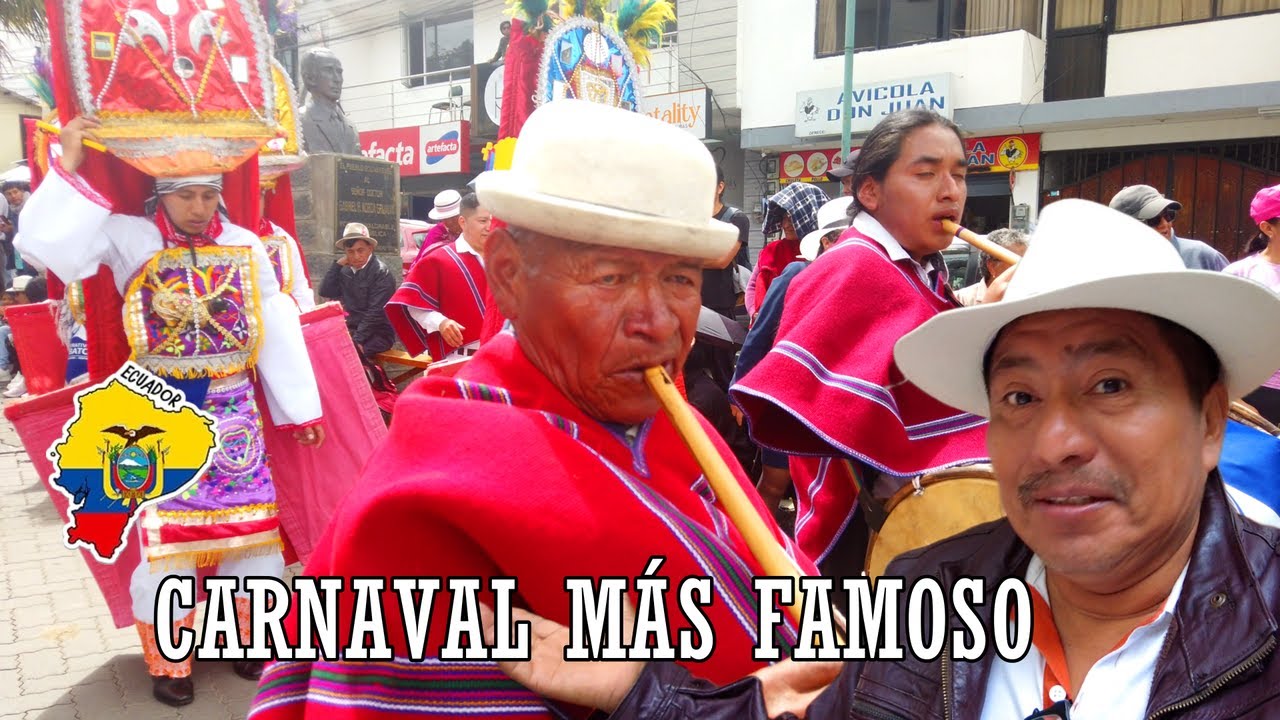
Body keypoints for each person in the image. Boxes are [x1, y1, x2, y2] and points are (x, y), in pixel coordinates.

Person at [485, 198, 1280, 719]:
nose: (1056, 441)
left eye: (1110, 385)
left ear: (1210, 421)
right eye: (1019, 398)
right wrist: (639, 691)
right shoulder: (922, 598)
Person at [249, 99, 814, 719]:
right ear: (510, 275)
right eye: (609, 277)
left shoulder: (668, 423)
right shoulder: (436, 496)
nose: (658, 323)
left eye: (680, 280)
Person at [17, 116, 326, 707]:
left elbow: (275, 321)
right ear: (162, 193)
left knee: (252, 537)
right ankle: (171, 661)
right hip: (160, 410)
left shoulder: (243, 245)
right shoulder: (131, 237)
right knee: (167, 543)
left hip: (235, 405)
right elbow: (52, 248)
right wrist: (72, 164)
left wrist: (298, 408)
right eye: (186, 194)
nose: (198, 206)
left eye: (209, 194)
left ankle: (249, 641)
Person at [732, 109, 989, 574]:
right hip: (866, 525)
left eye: (959, 174)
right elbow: (839, 404)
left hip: (913, 517)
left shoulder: (919, 266)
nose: (951, 190)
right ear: (869, 191)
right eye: (927, 173)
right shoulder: (854, 266)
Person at [733, 196, 852, 519]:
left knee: (821, 491)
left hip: (834, 401)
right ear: (826, 242)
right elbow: (759, 336)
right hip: (788, 395)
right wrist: (739, 390)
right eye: (846, 238)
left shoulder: (864, 278)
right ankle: (756, 552)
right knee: (775, 482)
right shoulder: (797, 274)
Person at [386, 192, 491, 360]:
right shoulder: (439, 259)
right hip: (460, 357)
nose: (489, 227)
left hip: (501, 358)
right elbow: (414, 304)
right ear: (463, 222)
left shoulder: (503, 259)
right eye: (482, 221)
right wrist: (440, 323)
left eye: (492, 220)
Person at [1224, 183, 1280, 423]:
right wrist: (1235, 399)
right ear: (1268, 227)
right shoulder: (1240, 274)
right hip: (1257, 391)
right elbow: (1218, 340)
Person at [744, 181, 827, 318]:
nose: (786, 225)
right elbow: (752, 287)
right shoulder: (772, 251)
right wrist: (754, 313)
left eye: (792, 218)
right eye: (783, 218)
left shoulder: (823, 253)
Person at [319, 222, 398, 358]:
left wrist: (357, 340)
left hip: (378, 333)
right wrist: (337, 265)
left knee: (347, 354)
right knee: (322, 348)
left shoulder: (381, 272)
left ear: (370, 248)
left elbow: (375, 313)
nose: (356, 256)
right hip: (351, 330)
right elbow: (326, 291)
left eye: (360, 250)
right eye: (350, 251)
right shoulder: (345, 271)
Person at [1109, 184, 1228, 271]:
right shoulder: (1109, 267)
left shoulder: (1203, 256)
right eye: (1153, 220)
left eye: (1168, 215)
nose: (1165, 224)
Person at [705, 166, 752, 320]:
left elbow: (721, 261)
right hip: (687, 301)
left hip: (720, 305)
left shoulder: (736, 219)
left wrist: (683, 260)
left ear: (720, 187)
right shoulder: (688, 220)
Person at [297, 48, 361, 155]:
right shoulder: (299, 122)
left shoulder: (350, 127)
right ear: (309, 78)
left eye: (339, 72)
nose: (337, 79)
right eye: (328, 71)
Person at [955, 227, 1029, 306]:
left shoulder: (1030, 298)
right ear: (992, 266)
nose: (1025, 269)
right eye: (1016, 262)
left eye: (1027, 262)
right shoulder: (961, 300)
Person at [412, 189, 465, 266]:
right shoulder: (435, 234)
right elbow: (424, 264)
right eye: (445, 218)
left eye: (453, 218)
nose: (449, 222)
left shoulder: (472, 230)